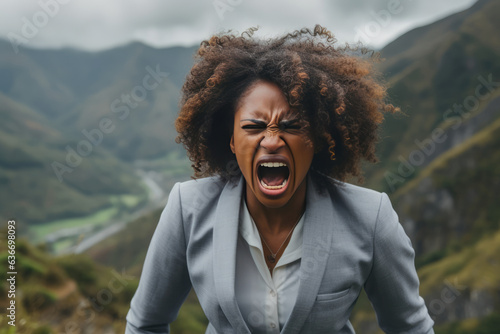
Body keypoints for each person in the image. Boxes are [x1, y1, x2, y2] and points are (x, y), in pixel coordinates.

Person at [125, 25, 434, 334]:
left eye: (292, 124)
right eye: (253, 126)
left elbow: (411, 329)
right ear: (231, 140)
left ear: (318, 138)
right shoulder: (187, 210)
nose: (271, 141)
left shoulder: (371, 218)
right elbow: (145, 323)